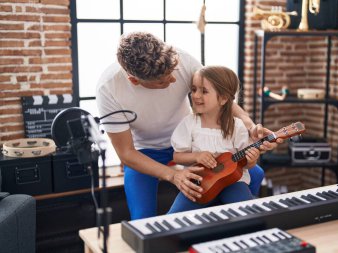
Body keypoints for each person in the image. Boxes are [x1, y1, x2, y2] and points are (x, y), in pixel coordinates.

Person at [96, 32, 280, 220]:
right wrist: (174, 175)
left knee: (255, 173)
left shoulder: (180, 59)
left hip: (193, 143)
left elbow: (220, 96)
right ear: (134, 80)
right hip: (145, 151)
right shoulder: (108, 89)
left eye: (173, 73)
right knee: (142, 217)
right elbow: (126, 153)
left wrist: (250, 126)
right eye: (162, 81)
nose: (173, 80)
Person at [168, 66, 261, 214]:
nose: (196, 95)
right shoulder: (189, 123)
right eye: (194, 89)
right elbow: (177, 157)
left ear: (223, 98)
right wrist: (196, 156)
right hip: (199, 184)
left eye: (204, 91)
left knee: (249, 214)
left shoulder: (236, 126)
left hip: (233, 184)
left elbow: (246, 165)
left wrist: (252, 160)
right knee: (171, 219)